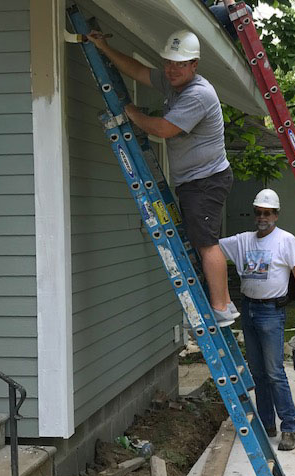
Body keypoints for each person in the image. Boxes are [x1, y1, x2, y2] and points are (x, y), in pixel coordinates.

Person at [86, 28, 237, 327]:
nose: (172, 69)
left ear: (194, 65)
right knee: (202, 241)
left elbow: (163, 129)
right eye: (169, 62)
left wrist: (130, 112)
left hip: (205, 181)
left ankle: (221, 307)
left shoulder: (198, 94)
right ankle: (225, 304)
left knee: (207, 244)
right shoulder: (174, 84)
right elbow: (140, 71)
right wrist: (104, 47)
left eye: (180, 64)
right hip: (196, 181)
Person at [219, 189, 295, 451]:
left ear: (276, 215)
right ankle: (267, 424)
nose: (262, 217)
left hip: (272, 312)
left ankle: (289, 427)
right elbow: (212, 248)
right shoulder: (243, 240)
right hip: (248, 310)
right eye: (258, 212)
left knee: (274, 372)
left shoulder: (286, 240)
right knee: (257, 372)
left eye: (267, 213)